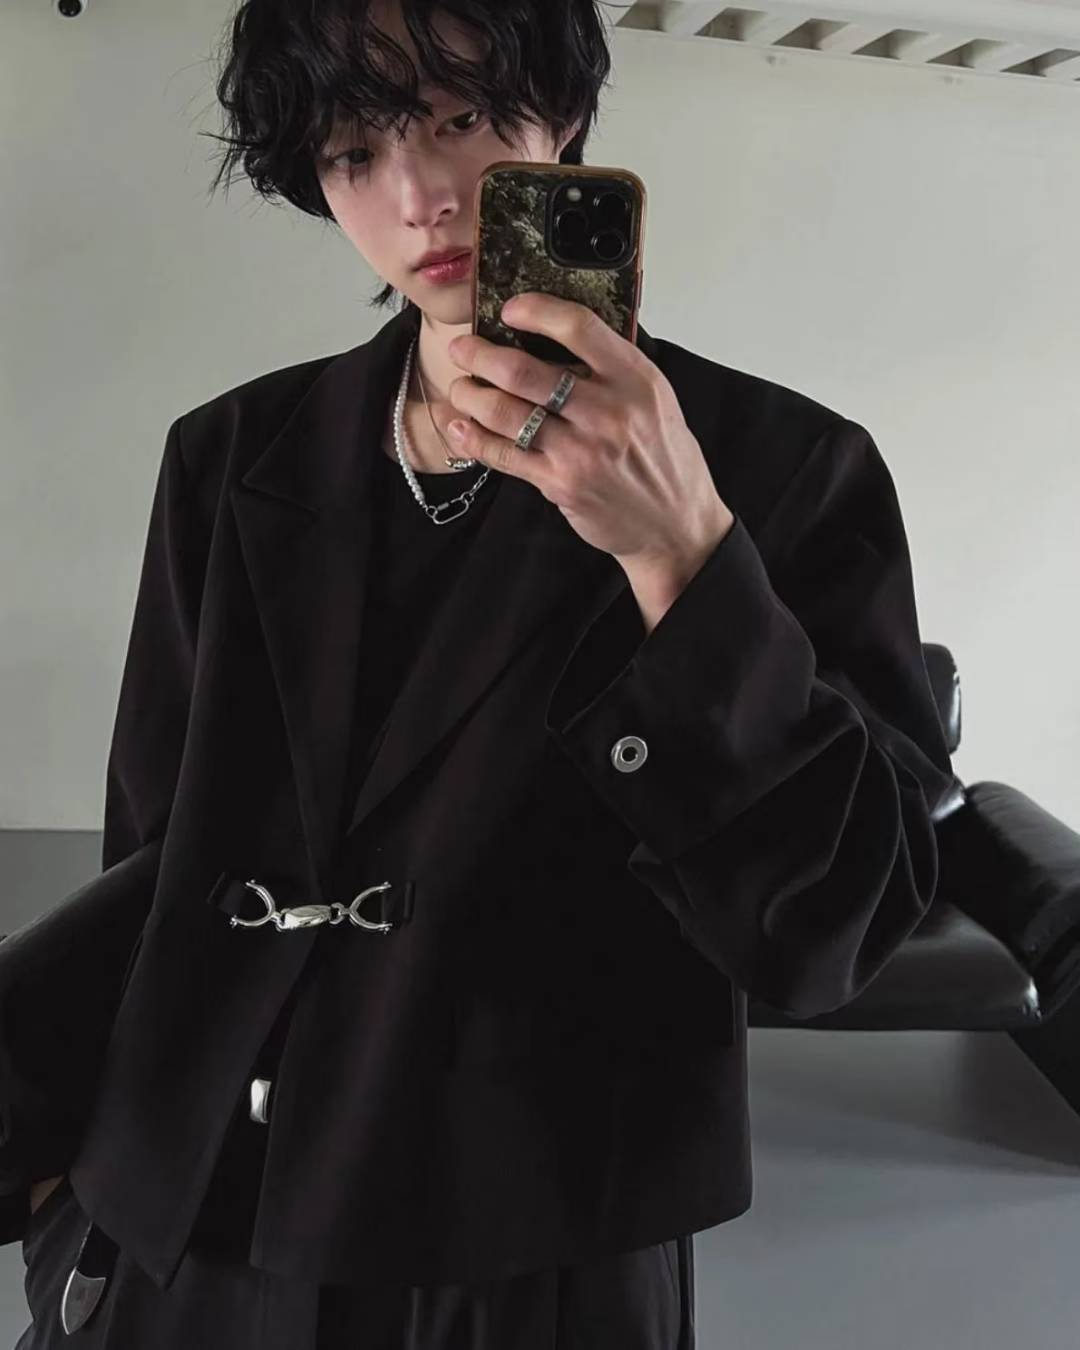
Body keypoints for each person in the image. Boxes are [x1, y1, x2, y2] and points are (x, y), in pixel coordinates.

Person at [12, 0, 955, 1345]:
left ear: (560, 112)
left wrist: (683, 556)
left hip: (533, 1252)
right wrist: (68, 1171)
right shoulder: (230, 456)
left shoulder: (782, 466)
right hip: (197, 1228)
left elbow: (839, 929)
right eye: (353, 152)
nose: (419, 196)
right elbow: (157, 860)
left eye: (459, 117)